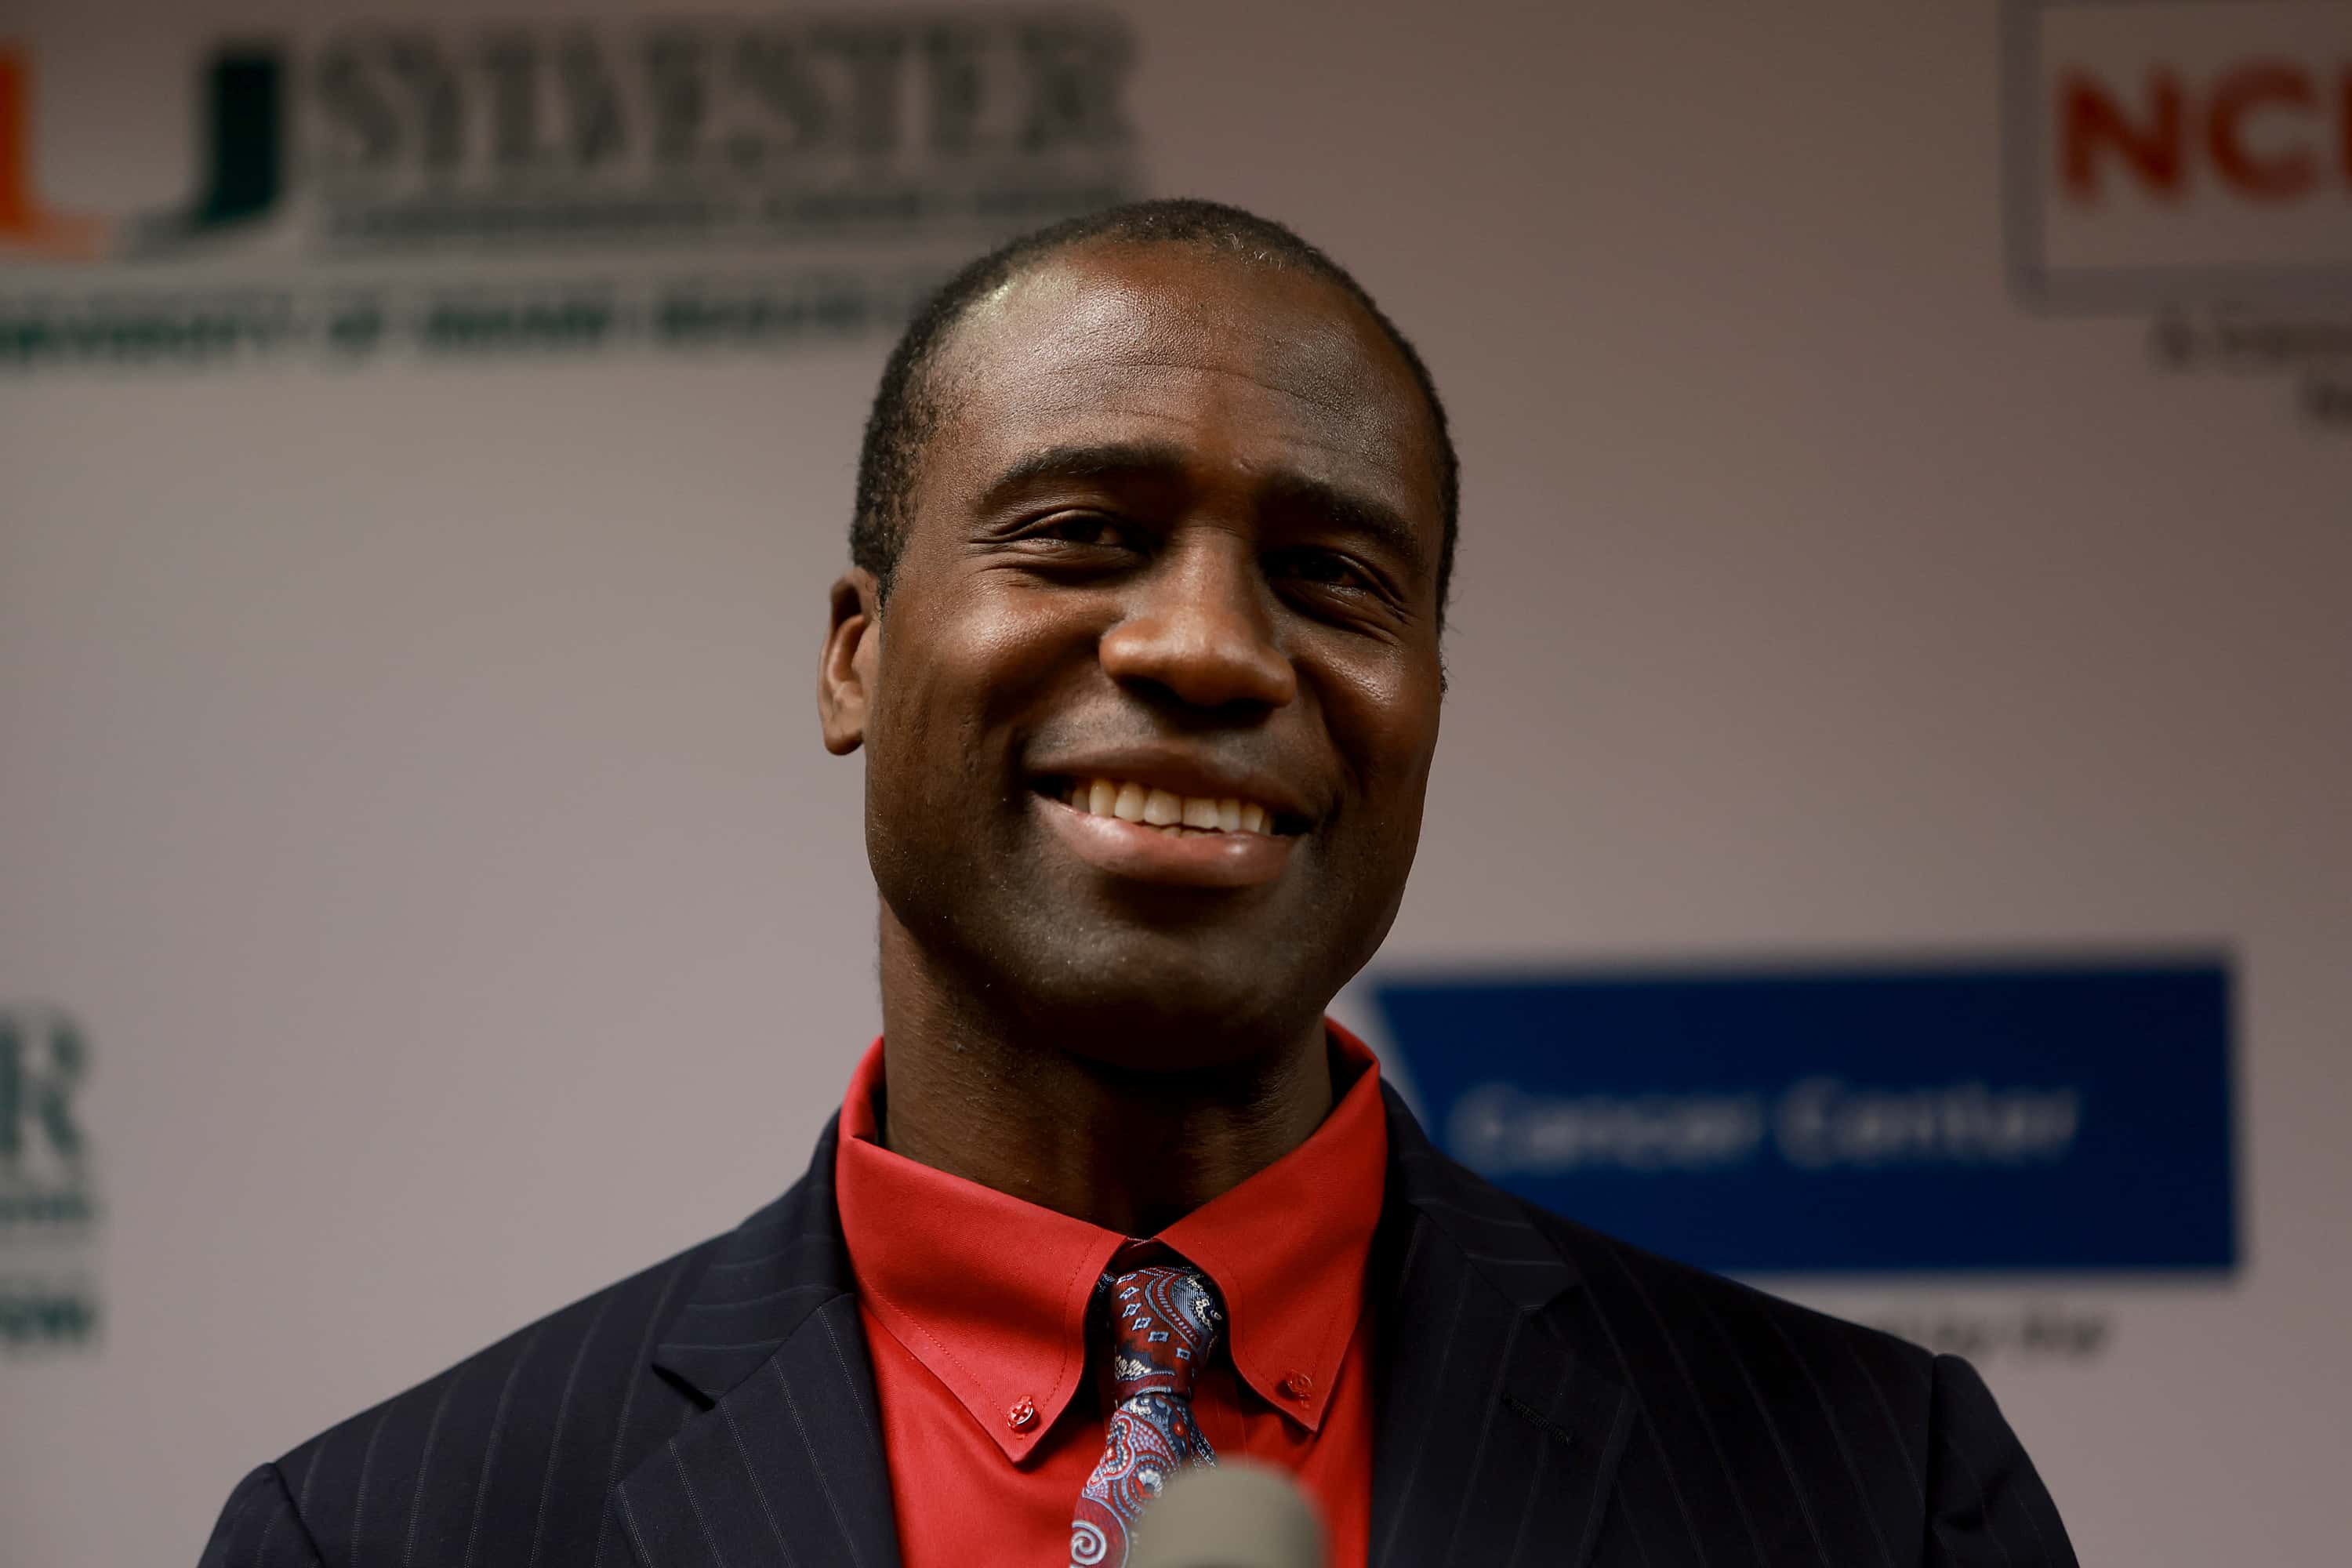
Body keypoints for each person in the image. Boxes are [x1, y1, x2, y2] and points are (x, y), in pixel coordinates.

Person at [198, 200, 2076, 1568]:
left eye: (1337, 578)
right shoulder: (384, 1535)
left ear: (1422, 704)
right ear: (856, 654)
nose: (1206, 648)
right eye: (1083, 535)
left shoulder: (1877, 1493)